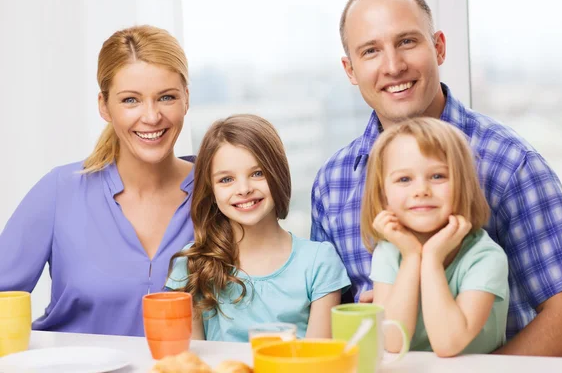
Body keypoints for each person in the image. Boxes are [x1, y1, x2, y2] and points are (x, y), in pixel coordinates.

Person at [311, 0, 562, 356]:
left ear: (439, 47)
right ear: (350, 70)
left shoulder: (510, 164)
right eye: (371, 51)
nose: (393, 66)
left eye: (407, 42)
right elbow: (324, 320)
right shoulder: (332, 183)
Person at [0, 25, 194, 336]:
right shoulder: (59, 191)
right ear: (104, 106)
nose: (151, 116)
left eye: (166, 97)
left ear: (186, 98)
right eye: (130, 100)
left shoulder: (218, 193)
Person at [166, 114, 350, 342]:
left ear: (278, 175)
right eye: (226, 180)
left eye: (257, 173)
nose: (243, 189)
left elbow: (317, 359)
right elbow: (191, 362)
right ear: (210, 191)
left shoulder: (319, 262)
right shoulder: (192, 265)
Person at [363, 117, 508, 356]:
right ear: (383, 194)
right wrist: (411, 257)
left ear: (463, 184)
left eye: (438, 176)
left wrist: (430, 259)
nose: (421, 190)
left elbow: (448, 344)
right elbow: (392, 342)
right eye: (404, 179)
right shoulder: (389, 252)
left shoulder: (485, 257)